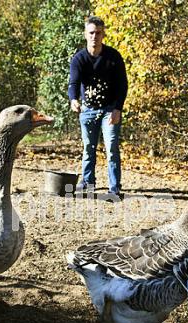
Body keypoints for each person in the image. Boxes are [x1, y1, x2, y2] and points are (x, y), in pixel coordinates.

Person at [68, 16, 128, 195]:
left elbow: (122, 84)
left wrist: (118, 108)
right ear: (85, 34)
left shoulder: (113, 57)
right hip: (88, 110)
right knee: (88, 148)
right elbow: (73, 83)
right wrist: (73, 99)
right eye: (91, 33)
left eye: (98, 33)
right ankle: (88, 183)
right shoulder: (79, 59)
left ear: (103, 34)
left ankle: (115, 187)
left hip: (110, 110)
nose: (95, 36)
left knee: (111, 148)